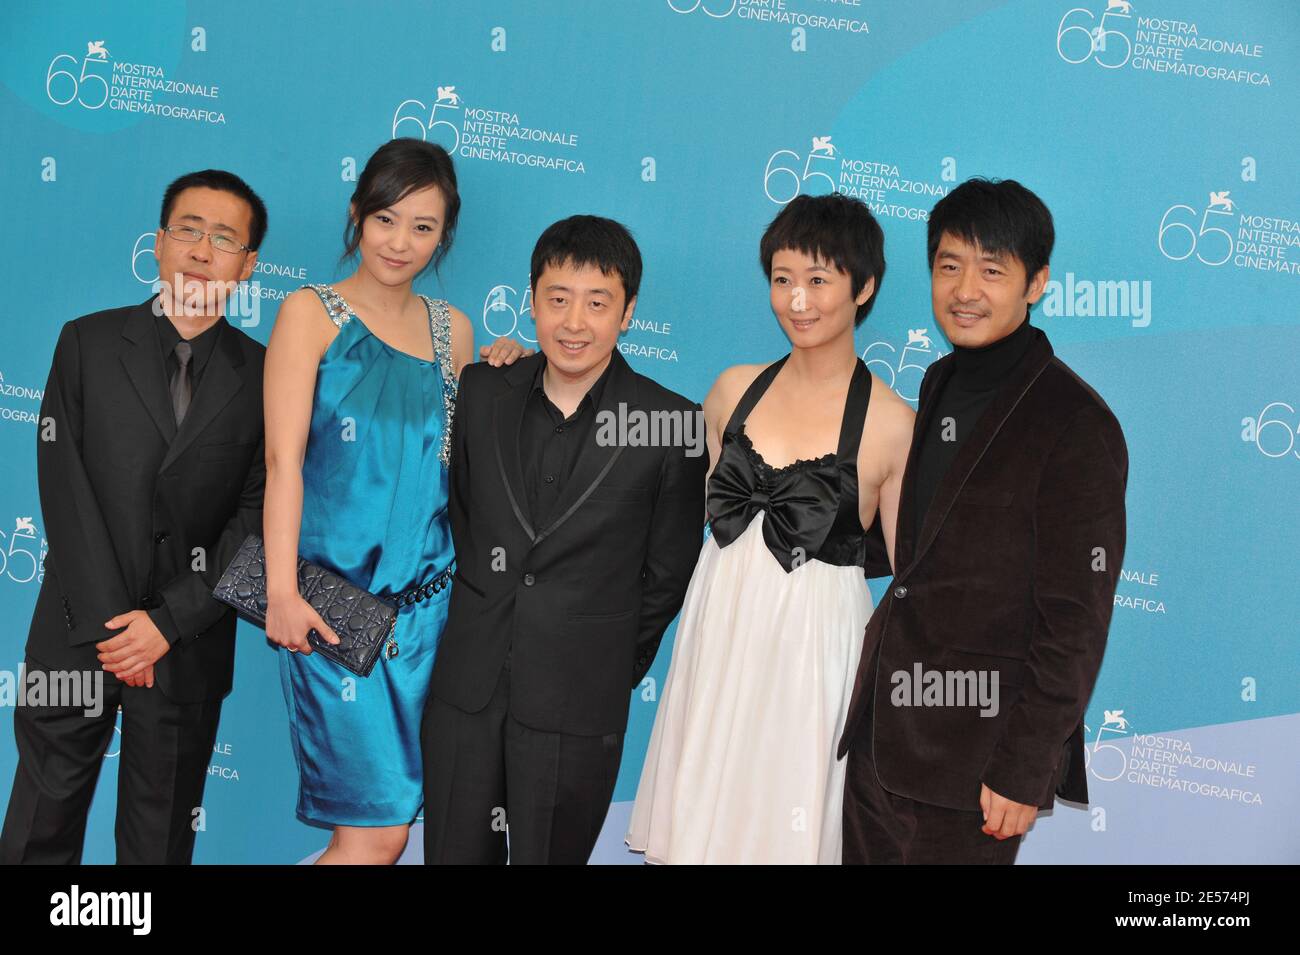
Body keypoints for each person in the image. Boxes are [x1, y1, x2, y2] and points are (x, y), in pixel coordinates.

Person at [838, 177, 1128, 864]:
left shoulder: (1077, 424)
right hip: (883, 737)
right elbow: (925, 541)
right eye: (949, 265)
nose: (966, 289)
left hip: (976, 763)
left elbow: (1076, 621)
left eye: (992, 269)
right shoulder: (939, 380)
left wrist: (1025, 767)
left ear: (1036, 283)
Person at [625, 193, 915, 863]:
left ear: (864, 286)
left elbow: (912, 582)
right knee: (701, 815)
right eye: (783, 279)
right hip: (720, 622)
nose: (798, 300)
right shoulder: (731, 389)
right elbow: (675, 520)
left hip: (816, 644)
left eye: (819, 280)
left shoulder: (896, 424)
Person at [262, 138, 525, 865]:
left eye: (423, 226)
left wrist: (506, 371)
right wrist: (280, 591)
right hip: (334, 609)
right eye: (385, 218)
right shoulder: (309, 315)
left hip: (434, 616)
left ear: (445, 234)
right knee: (374, 837)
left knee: (398, 832)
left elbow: (464, 472)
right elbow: (283, 463)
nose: (400, 242)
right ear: (356, 216)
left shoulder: (454, 332)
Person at [0, 170, 269, 864]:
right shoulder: (86, 344)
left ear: (249, 264)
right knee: (39, 825)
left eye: (223, 237)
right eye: (187, 228)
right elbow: (65, 491)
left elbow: (257, 519)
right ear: (157, 242)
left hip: (186, 649)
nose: (201, 249)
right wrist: (117, 628)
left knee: (158, 843)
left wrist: (166, 625)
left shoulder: (268, 376)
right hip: (74, 637)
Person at [421, 215, 708, 865]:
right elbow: (466, 522)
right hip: (467, 693)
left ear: (628, 311)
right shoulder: (483, 389)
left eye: (598, 302)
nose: (574, 321)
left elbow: (666, 575)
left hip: (579, 705)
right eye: (558, 298)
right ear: (532, 299)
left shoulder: (671, 424)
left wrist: (600, 662)